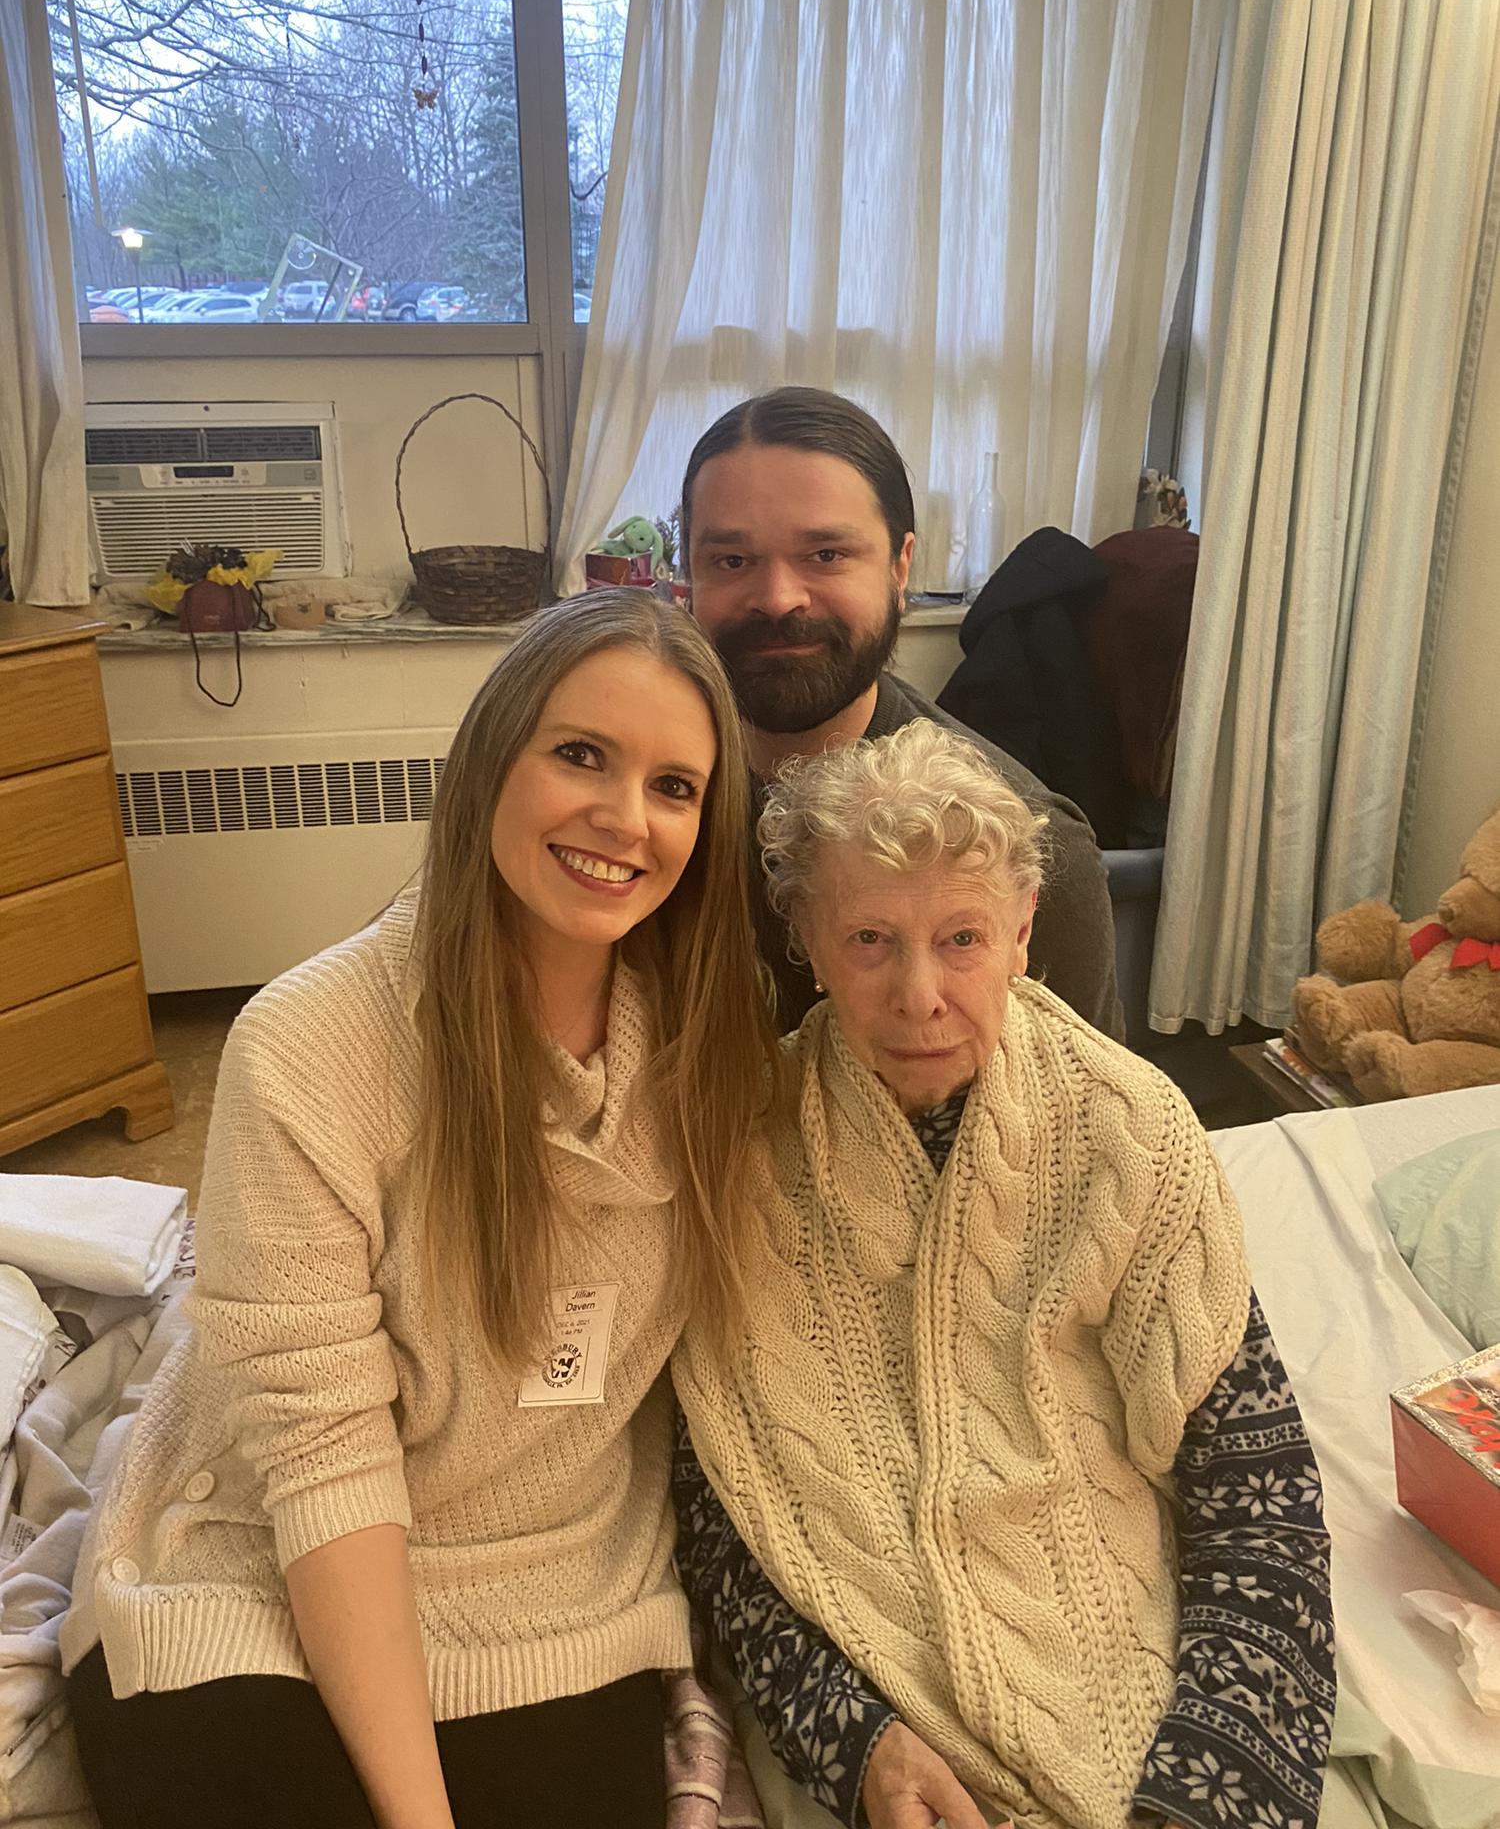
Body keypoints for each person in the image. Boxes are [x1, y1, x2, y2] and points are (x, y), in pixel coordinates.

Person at [62, 589, 779, 1829]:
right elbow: (319, 1453)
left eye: (674, 786)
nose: (625, 816)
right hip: (259, 1563)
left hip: (552, 1587)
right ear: (490, 759)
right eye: (581, 754)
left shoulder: (714, 1051)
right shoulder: (308, 1043)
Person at [673, 719, 1335, 1829]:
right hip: (881, 1726)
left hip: (1135, 1700)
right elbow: (718, 1514)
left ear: (1024, 931)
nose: (920, 994)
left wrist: (1207, 1794)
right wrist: (851, 1738)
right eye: (871, 939)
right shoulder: (734, 1157)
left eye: (963, 937)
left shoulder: (1134, 1133)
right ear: (807, 942)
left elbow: (1260, 1505)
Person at [681, 385, 1124, 1039]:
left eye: (826, 555)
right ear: (688, 577)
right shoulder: (641, 810)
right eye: (732, 560)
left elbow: (1082, 1096)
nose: (777, 597)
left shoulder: (1025, 848)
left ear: (900, 567)